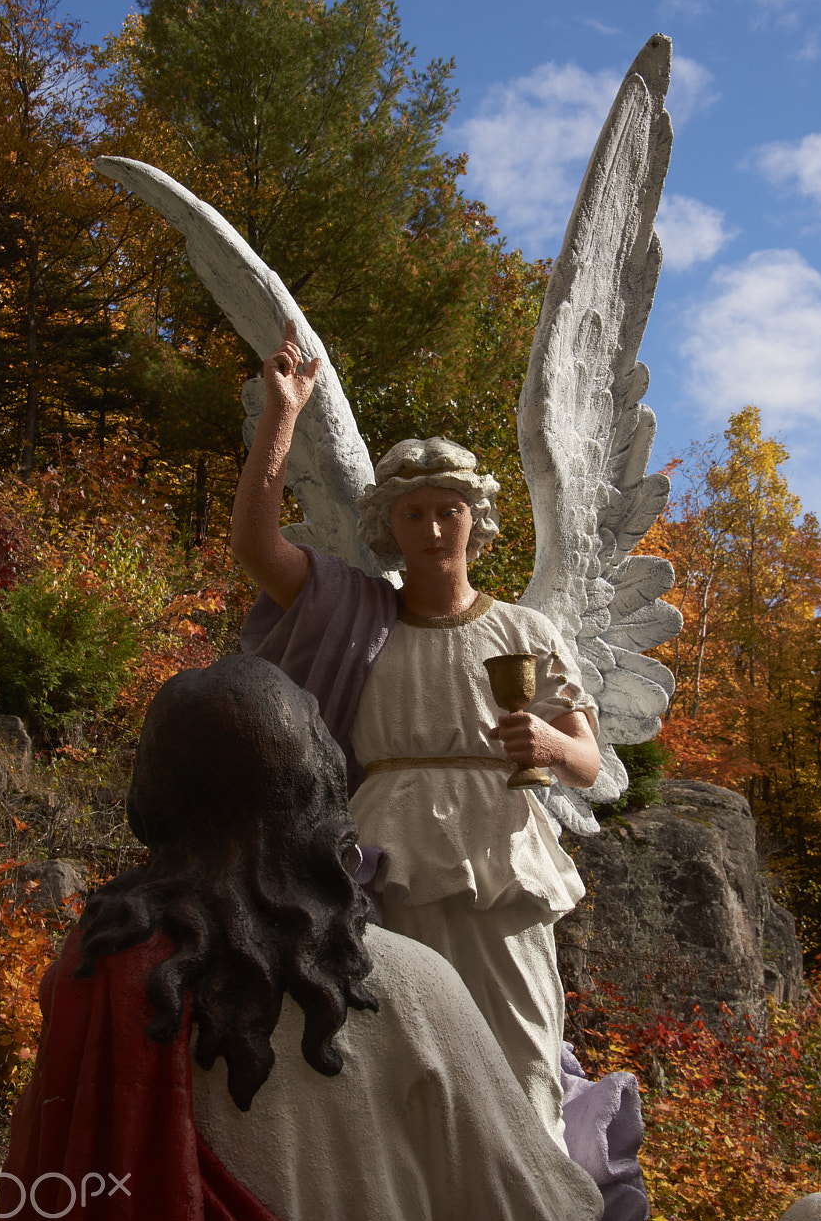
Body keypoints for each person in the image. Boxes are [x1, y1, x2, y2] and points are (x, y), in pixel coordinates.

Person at [0, 655, 613, 1221]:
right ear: (320, 794)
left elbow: (59, 1216)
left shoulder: (100, 981)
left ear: (154, 800)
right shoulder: (409, 988)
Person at [234, 324, 602, 1154]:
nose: (434, 528)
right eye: (414, 513)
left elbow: (588, 761)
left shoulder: (525, 627)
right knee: (397, 1056)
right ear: (388, 526)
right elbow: (257, 547)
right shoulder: (354, 613)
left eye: (450, 510)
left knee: (524, 1052)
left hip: (503, 857)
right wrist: (283, 415)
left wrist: (546, 744)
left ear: (478, 520)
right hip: (384, 859)